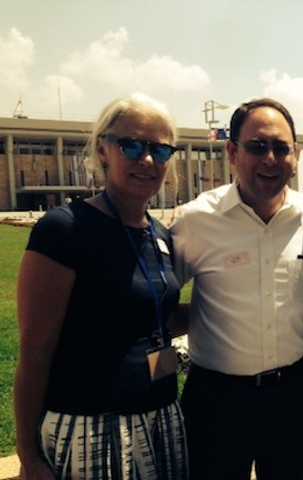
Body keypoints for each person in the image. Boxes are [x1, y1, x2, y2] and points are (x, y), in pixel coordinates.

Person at [14, 94, 188, 479]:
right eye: (132, 145)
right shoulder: (64, 230)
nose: (147, 160)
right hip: (91, 428)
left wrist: (241, 302)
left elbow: (153, 317)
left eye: (160, 150)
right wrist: (28, 456)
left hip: (161, 418)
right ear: (103, 150)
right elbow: (35, 352)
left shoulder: (159, 235)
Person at [171, 98, 303, 479]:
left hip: (295, 394)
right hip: (217, 400)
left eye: (281, 148)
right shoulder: (195, 221)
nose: (270, 159)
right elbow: (156, 300)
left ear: (296, 157)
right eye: (257, 147)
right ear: (232, 152)